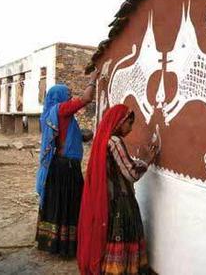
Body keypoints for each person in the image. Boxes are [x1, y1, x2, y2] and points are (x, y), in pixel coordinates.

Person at [77, 104, 159, 275]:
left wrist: (139, 162)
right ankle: (122, 269)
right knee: (124, 231)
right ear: (120, 122)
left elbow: (121, 164)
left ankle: (112, 268)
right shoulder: (114, 141)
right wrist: (147, 160)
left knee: (111, 235)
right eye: (129, 124)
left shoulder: (103, 139)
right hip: (120, 199)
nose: (130, 129)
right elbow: (131, 173)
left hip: (109, 197)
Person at [35, 69, 100, 257]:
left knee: (58, 204)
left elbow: (70, 135)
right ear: (59, 97)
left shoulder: (51, 114)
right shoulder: (61, 110)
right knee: (69, 204)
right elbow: (86, 99)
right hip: (66, 168)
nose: (70, 96)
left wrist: (90, 134)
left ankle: (53, 242)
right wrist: (92, 80)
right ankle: (65, 246)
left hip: (58, 166)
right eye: (68, 94)